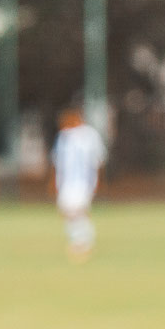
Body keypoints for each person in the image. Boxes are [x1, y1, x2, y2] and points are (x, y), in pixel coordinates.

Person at [50, 107, 108, 263]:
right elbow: (58, 162)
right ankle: (80, 240)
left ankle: (82, 242)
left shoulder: (87, 135)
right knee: (69, 212)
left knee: (76, 211)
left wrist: (95, 180)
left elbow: (97, 160)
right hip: (68, 182)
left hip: (82, 181)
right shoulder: (65, 136)